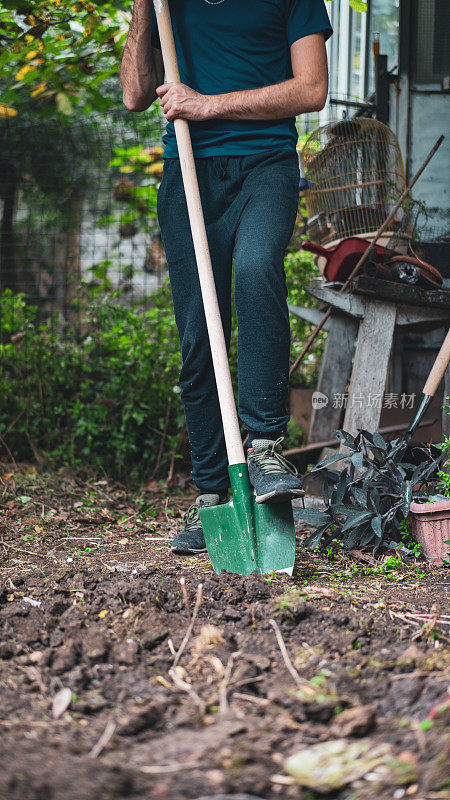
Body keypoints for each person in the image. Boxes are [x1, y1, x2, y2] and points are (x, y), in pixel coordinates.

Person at [121, 0, 332, 555]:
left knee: (258, 267)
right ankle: (214, 494)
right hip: (190, 169)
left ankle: (263, 446)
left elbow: (312, 89)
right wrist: (144, 10)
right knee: (197, 333)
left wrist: (208, 104)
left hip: (267, 165)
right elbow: (134, 95)